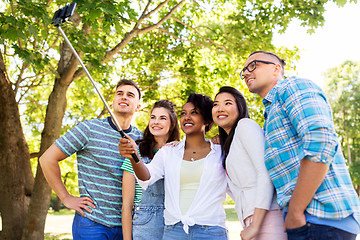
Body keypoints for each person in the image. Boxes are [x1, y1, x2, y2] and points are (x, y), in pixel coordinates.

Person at [240, 50, 360, 240]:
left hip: (322, 219)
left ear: (276, 69)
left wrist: (295, 211)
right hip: (306, 220)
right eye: (243, 71)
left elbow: (320, 142)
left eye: (253, 66)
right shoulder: (271, 112)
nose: (246, 73)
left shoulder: (293, 86)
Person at [39, 79, 143, 240]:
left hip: (128, 225)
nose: (124, 97)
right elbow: (47, 159)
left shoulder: (141, 139)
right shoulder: (89, 129)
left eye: (130, 95)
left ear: (138, 106)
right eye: (119, 94)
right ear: (113, 101)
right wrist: (66, 198)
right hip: (92, 223)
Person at [119, 93, 228, 240]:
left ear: (207, 120)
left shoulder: (220, 152)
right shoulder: (168, 152)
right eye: (183, 113)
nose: (187, 117)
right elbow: (146, 178)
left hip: (211, 230)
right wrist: (134, 156)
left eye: (194, 113)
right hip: (171, 230)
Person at [212, 86, 287, 240]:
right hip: (252, 220)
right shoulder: (229, 146)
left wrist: (256, 225)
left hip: (267, 217)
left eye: (227, 103)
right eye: (216, 104)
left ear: (240, 107)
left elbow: (264, 172)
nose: (220, 108)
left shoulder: (245, 125)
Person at [121, 100, 180, 240]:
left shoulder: (181, 151)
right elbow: (127, 204)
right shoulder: (136, 153)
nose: (156, 122)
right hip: (145, 226)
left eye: (162, 118)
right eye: (153, 117)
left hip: (176, 224)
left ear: (172, 124)